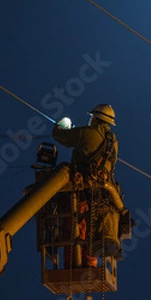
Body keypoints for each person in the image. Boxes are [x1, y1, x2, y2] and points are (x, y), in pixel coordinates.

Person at [52, 104, 122, 266]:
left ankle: (72, 265)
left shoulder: (87, 132)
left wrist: (62, 124)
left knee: (75, 230)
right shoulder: (113, 142)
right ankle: (90, 266)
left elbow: (60, 136)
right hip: (103, 198)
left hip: (80, 192)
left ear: (95, 118)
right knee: (94, 231)